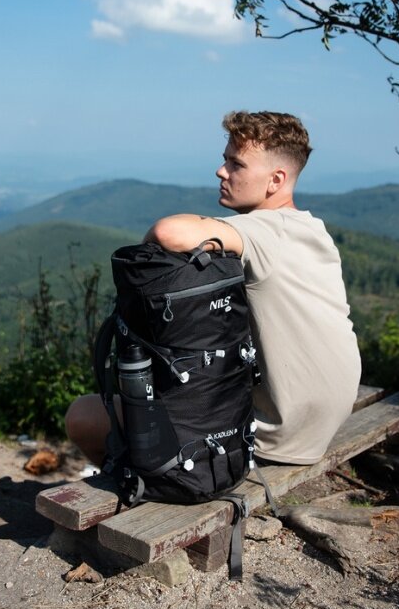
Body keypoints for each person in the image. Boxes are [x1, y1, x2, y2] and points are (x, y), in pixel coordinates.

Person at [65, 110, 361, 466]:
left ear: (275, 180)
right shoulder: (313, 230)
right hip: (321, 422)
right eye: (225, 160)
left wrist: (147, 258)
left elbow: (169, 232)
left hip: (270, 435)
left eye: (236, 164)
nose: (222, 171)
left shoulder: (265, 232)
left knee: (83, 415)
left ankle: (136, 484)